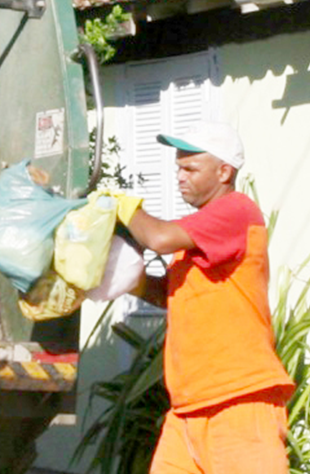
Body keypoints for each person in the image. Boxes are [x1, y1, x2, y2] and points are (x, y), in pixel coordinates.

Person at [109, 121, 295, 473]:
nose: (180, 175)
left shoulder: (237, 211)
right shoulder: (198, 232)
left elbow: (159, 238)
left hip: (239, 401)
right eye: (178, 167)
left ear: (224, 171)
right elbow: (173, 295)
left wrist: (124, 206)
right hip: (188, 408)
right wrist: (122, 277)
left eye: (190, 168)